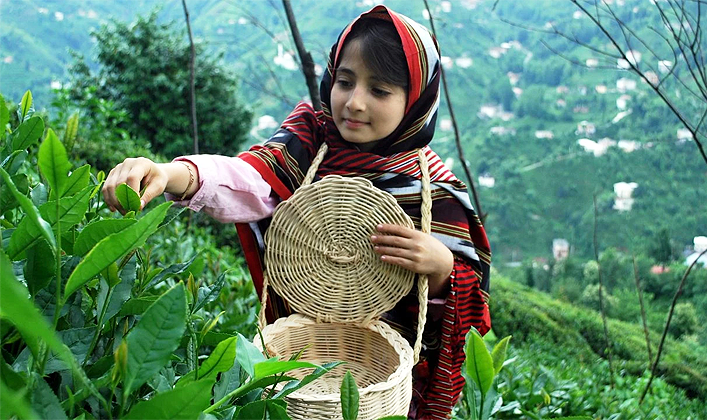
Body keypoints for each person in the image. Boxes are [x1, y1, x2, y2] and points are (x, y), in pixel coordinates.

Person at [103, 5, 491, 419]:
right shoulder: (310, 140)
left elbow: (468, 308)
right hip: (300, 364)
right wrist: (171, 173)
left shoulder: (436, 191)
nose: (354, 102)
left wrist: (441, 269)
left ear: (416, 101)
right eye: (345, 81)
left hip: (389, 384)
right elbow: (251, 180)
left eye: (379, 91)